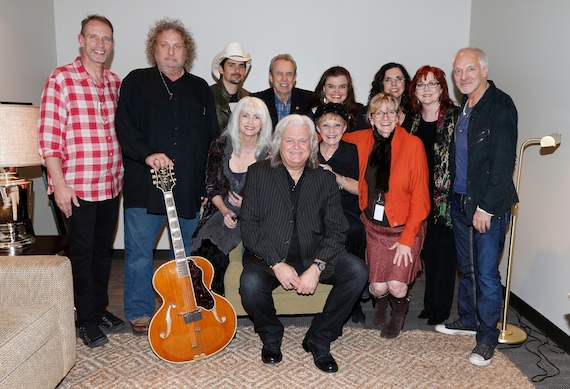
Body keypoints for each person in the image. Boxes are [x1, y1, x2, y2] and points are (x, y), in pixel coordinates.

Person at [239, 114, 368, 373]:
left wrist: (317, 267)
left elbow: (337, 229)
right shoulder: (258, 173)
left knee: (357, 271)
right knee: (250, 284)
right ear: (278, 143)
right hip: (269, 256)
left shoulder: (324, 178)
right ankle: (271, 336)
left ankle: (319, 338)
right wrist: (277, 263)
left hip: (313, 254)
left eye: (303, 141)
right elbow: (249, 226)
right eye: (290, 141)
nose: (296, 147)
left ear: (312, 145)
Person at [115, 18, 218, 337]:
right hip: (145, 186)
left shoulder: (200, 88)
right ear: (153, 49)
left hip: (188, 189)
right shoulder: (135, 81)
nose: (171, 52)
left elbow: (212, 141)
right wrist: (147, 154)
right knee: (139, 254)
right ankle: (140, 311)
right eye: (165, 45)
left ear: (187, 51)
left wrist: (205, 187)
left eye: (178, 46)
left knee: (187, 256)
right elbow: (124, 127)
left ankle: (186, 305)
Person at [38, 14, 125, 348]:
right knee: (82, 253)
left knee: (103, 251)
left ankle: (99, 309)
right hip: (77, 187)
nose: (100, 45)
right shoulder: (61, 79)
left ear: (112, 44)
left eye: (106, 39)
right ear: (81, 39)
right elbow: (49, 138)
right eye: (94, 38)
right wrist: (59, 184)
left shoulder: (116, 83)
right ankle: (85, 319)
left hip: (111, 184)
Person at [435, 48, 518, 367]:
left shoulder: (499, 105)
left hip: (487, 205)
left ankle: (486, 338)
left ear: (484, 70)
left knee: (485, 274)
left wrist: (487, 207)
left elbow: (501, 163)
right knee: (467, 268)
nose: (463, 76)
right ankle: (468, 319)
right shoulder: (465, 108)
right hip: (461, 200)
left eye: (470, 69)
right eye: (458, 71)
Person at [343, 93, 430, 338]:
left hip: (405, 228)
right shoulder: (361, 140)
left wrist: (407, 240)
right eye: (379, 113)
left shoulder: (413, 145)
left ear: (399, 117)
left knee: (396, 285)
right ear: (370, 118)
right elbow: (327, 135)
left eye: (391, 112)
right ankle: (380, 303)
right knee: (377, 287)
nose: (385, 117)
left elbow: (421, 199)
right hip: (373, 226)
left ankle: (399, 315)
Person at [191, 96, 272, 295]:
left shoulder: (271, 152)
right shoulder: (220, 145)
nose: (250, 122)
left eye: (256, 117)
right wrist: (226, 210)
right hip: (220, 208)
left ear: (264, 122)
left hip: (256, 214)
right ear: (237, 118)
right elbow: (211, 186)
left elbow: (273, 194)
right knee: (206, 252)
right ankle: (207, 308)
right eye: (245, 116)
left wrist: (248, 205)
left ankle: (219, 313)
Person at [409, 66, 460, 325]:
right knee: (428, 252)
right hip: (419, 197)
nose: (426, 89)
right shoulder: (412, 121)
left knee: (445, 254)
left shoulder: (455, 118)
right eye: (421, 84)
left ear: (442, 88)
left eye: (432, 84)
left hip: (446, 199)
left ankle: (441, 310)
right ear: (415, 91)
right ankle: (430, 304)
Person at [314, 102, 367, 323]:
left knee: (354, 230)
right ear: (318, 129)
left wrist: (335, 177)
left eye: (337, 125)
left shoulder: (352, 152)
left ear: (345, 128)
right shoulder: (308, 151)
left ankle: (354, 295)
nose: (332, 130)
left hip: (345, 207)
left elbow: (361, 189)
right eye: (326, 125)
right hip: (315, 208)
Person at [251, 54, 313, 128]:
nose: (284, 79)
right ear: (271, 77)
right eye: (279, 74)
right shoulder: (257, 101)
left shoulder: (310, 100)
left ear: (294, 78)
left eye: (289, 74)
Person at [306, 66, 367, 131]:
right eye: (331, 87)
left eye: (342, 87)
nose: (337, 91)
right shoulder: (311, 116)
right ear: (323, 88)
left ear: (348, 89)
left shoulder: (359, 112)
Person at [210, 42, 252, 133]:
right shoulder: (208, 95)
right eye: (231, 65)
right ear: (221, 69)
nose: (237, 70)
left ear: (245, 71)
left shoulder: (249, 99)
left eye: (241, 66)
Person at [364, 63, 413, 130]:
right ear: (381, 84)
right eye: (388, 80)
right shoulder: (368, 113)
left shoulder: (414, 114)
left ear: (405, 83)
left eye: (398, 79)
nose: (394, 84)